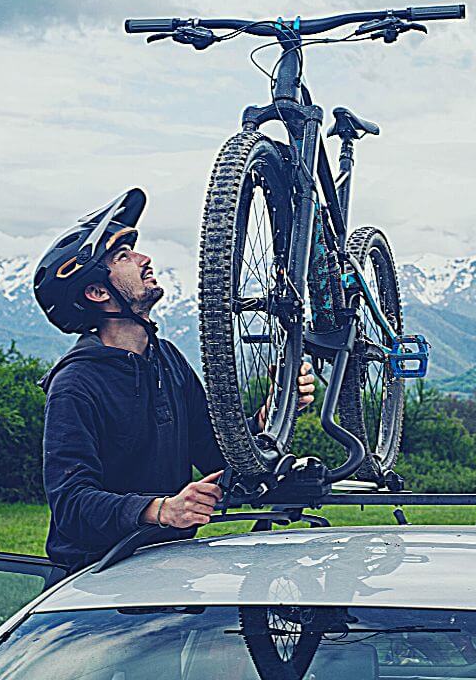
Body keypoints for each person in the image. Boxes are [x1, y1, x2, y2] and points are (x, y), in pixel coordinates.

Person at [32, 188, 315, 571]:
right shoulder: (76, 384)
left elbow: (215, 453)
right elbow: (71, 504)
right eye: (123, 256)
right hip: (96, 580)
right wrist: (162, 510)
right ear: (98, 291)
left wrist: (275, 410)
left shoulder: (166, 359)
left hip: (168, 567)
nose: (144, 258)